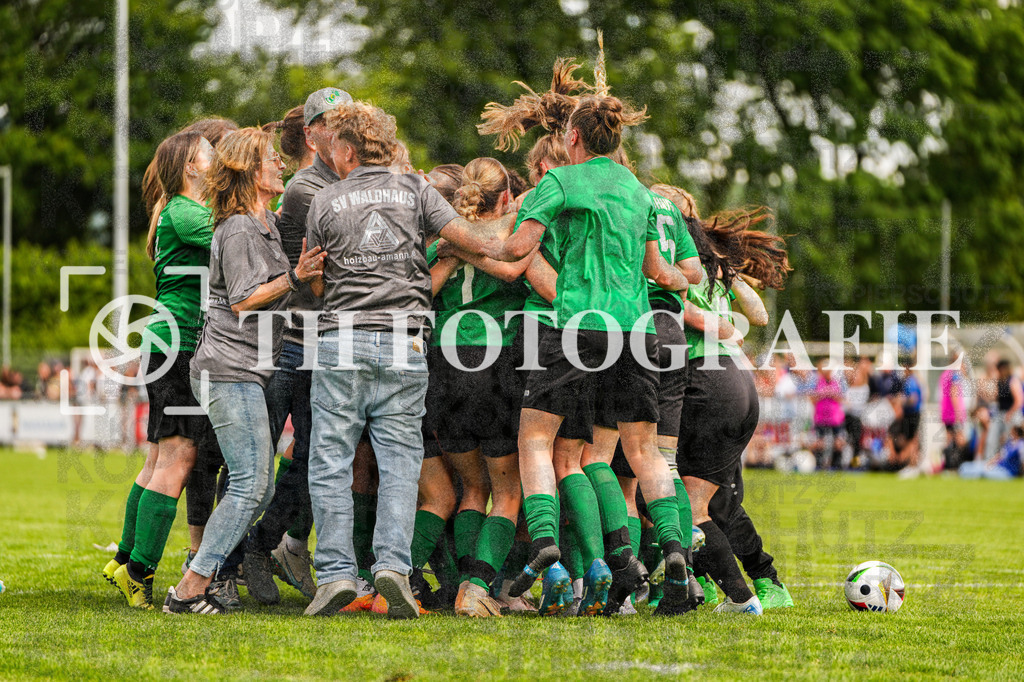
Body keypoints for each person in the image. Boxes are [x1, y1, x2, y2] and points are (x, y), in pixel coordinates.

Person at [479, 94, 693, 617]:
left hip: (573, 325)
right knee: (644, 451)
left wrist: (475, 240)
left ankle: (545, 543)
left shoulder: (559, 181)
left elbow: (515, 249)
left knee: (536, 439)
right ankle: (673, 551)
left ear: (572, 137)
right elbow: (658, 271)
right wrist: (685, 281)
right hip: (635, 330)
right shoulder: (640, 191)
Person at [300, 101, 501, 619]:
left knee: (330, 463)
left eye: (334, 147)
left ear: (347, 150)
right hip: (405, 341)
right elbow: (477, 241)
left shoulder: (324, 200)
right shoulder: (416, 190)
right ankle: (393, 567)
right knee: (399, 463)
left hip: (342, 340)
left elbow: (318, 285)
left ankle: (337, 574)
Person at [164, 127, 326, 614]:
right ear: (250, 171)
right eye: (271, 158)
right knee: (252, 482)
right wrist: (296, 276)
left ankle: (200, 578)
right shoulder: (237, 227)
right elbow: (242, 300)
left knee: (258, 484)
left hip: (243, 371)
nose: (281, 164)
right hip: (227, 370)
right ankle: (190, 587)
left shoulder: (265, 222)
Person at [239, 88, 354, 606]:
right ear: (310, 135)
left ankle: (264, 545)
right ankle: (229, 563)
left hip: (321, 341)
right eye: (332, 121)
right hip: (288, 340)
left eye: (348, 119)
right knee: (257, 459)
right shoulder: (309, 188)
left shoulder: (346, 183)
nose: (343, 129)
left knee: (312, 458)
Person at [660, 188, 794, 614]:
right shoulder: (712, 262)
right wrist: (731, 279)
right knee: (720, 501)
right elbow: (760, 315)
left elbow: (684, 309)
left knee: (689, 501)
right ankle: (725, 583)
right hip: (737, 381)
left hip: (706, 381)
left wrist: (716, 323)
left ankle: (748, 590)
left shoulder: (671, 262)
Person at [103, 130, 216, 610]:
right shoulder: (188, 212)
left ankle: (126, 560)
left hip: (168, 344)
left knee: (158, 460)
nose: (218, 159)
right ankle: (139, 573)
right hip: (178, 345)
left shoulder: (179, 208)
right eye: (210, 153)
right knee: (178, 458)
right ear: (191, 166)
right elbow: (238, 238)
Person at [429, 158, 532, 617]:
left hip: (444, 362)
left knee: (472, 487)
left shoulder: (444, 239)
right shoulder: (512, 235)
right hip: (494, 360)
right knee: (507, 492)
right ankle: (475, 587)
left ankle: (457, 585)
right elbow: (516, 272)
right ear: (506, 196)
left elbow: (423, 291)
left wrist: (452, 252)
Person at [959, 425, 1023, 479]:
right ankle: (963, 470)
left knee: (984, 473)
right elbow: (1000, 455)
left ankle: (966, 474)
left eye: (1012, 432)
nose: (1010, 433)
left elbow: (1022, 461)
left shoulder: (1020, 445)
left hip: (1008, 472)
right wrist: (989, 463)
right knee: (968, 465)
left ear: (1016, 433)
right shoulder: (1009, 443)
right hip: (998, 467)